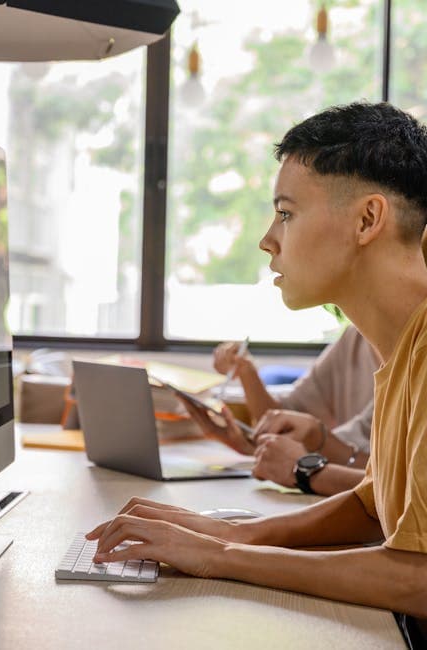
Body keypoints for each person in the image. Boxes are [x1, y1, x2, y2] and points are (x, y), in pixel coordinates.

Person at [87, 102, 427, 628]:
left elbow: (418, 576)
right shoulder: (401, 347)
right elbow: (373, 505)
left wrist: (220, 558)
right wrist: (227, 532)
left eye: (286, 213)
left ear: (367, 220)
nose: (268, 239)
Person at [208, 325, 378, 495]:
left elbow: (384, 478)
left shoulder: (403, 356)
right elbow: (286, 421)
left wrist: (306, 467)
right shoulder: (355, 336)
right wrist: (245, 370)